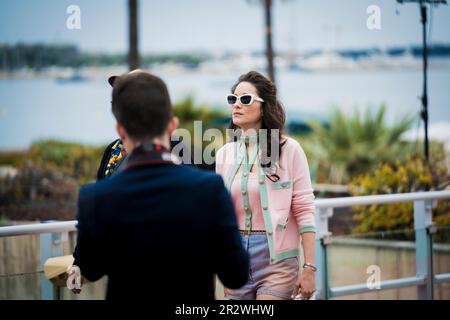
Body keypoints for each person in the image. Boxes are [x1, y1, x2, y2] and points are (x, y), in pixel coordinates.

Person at [73, 69, 249, 300]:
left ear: (120, 130)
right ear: (172, 124)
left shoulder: (93, 196)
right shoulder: (210, 189)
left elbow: (91, 268)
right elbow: (236, 274)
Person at [215, 70, 316, 300]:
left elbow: (304, 208)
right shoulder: (224, 154)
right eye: (233, 99)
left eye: (245, 99)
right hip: (235, 261)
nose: (236, 105)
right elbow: (218, 215)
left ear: (264, 106)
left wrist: (309, 267)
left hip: (278, 264)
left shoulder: (289, 150)